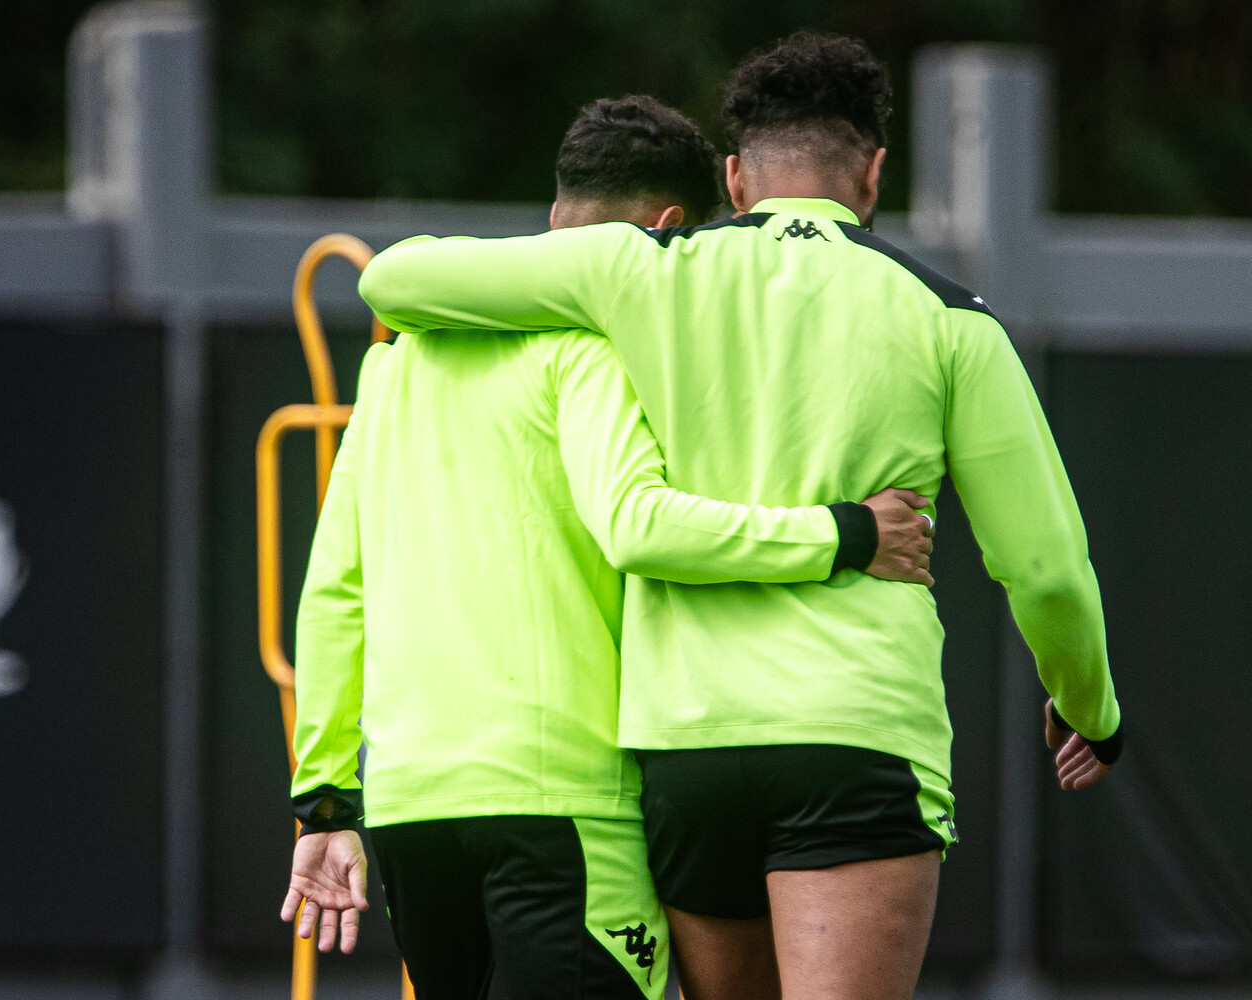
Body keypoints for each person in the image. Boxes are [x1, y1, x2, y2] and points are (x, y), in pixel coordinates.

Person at [357, 31, 1124, 1000]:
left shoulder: (642, 270)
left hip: (687, 748)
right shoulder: (948, 317)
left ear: (733, 176)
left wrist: (591, 257)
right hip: (854, 732)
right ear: (873, 172)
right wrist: (1089, 708)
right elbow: (1044, 569)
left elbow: (392, 280)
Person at [281, 94, 936, 1000]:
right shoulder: (593, 347)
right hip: (566, 803)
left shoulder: (393, 366)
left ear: (557, 215)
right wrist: (846, 531)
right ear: (668, 230)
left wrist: (324, 802)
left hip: (407, 807)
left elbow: (334, 589)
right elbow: (640, 525)